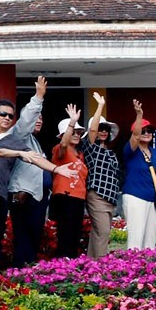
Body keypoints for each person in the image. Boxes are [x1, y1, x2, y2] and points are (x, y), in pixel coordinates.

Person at [0, 75, 48, 267]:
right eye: (3, 114)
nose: (8, 118)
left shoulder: (15, 137)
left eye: (11, 116)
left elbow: (26, 121)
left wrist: (38, 98)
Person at [119, 105, 156, 250]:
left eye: (149, 131)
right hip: (136, 196)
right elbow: (135, 136)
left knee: (151, 239)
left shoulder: (154, 152)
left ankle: (150, 270)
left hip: (154, 199)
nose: (146, 133)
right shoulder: (130, 150)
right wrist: (139, 115)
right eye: (143, 131)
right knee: (136, 237)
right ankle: (133, 268)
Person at [81, 94, 124, 258]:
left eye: (105, 129)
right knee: (103, 231)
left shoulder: (111, 152)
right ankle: (100, 265)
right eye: (100, 129)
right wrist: (100, 106)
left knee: (98, 233)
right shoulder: (91, 148)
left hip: (111, 198)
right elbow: (92, 131)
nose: (103, 132)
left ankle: (92, 263)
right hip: (97, 195)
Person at [45, 110, 90, 258]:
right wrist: (72, 122)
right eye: (73, 132)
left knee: (75, 236)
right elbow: (64, 144)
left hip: (78, 198)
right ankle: (62, 266)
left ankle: (71, 268)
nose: (76, 134)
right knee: (65, 235)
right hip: (65, 197)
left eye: (79, 132)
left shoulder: (80, 154)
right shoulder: (60, 150)